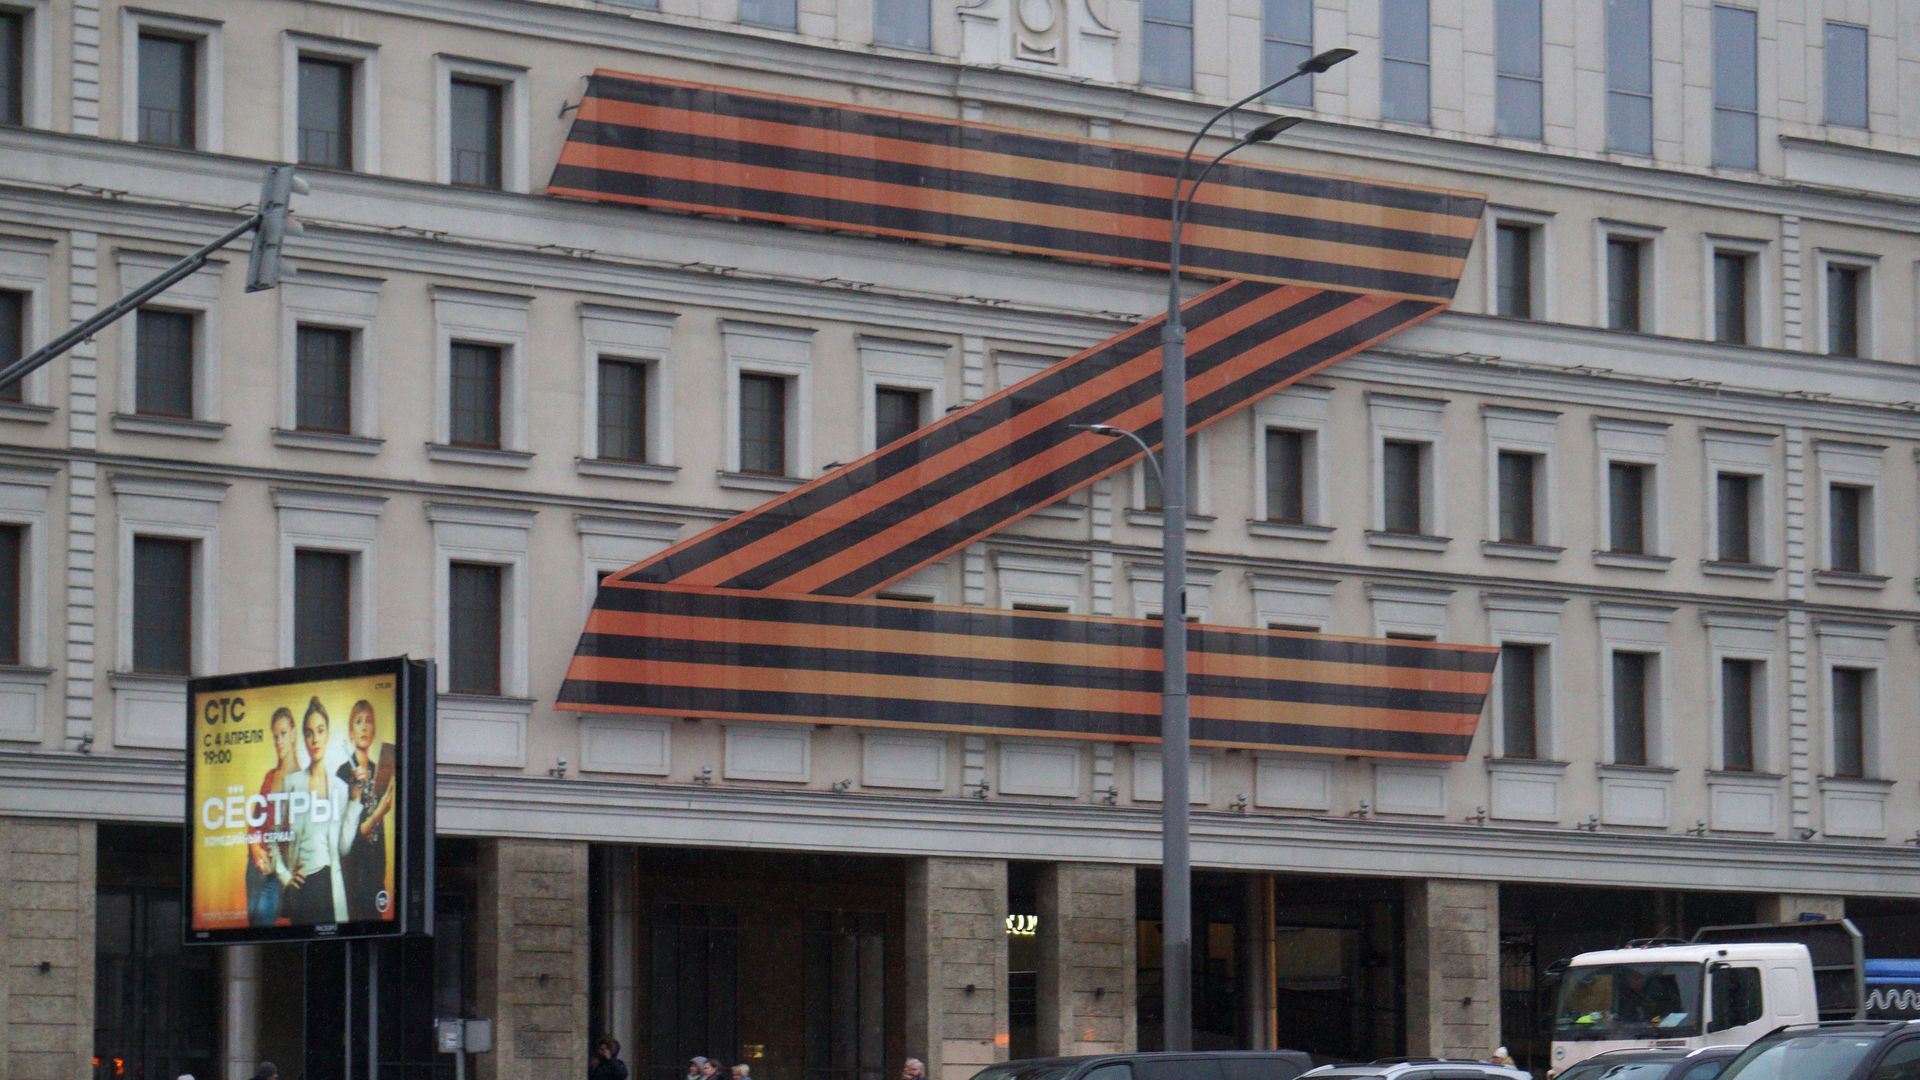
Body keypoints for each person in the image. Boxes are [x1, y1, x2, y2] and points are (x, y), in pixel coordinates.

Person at [277, 698, 362, 925]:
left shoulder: (341, 789)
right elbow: (271, 838)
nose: (315, 739)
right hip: (302, 886)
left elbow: (343, 847)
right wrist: (285, 876)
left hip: (328, 884)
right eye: (309, 733)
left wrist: (355, 801)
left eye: (320, 731)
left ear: (328, 734)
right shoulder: (291, 784)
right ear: (303, 738)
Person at [335, 699, 395, 921]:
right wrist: (380, 811)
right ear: (351, 732)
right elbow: (346, 839)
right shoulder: (343, 773)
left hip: (375, 874)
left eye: (368, 721)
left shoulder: (378, 771)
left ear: (374, 730)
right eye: (358, 721)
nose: (364, 726)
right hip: (353, 873)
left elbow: (378, 832)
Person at [246, 707, 299, 927]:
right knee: (254, 926)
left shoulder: (303, 779)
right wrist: (255, 849)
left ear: (294, 733)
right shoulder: (269, 777)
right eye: (275, 736)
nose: (279, 741)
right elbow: (255, 822)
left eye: (284, 734)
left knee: (264, 925)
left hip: (280, 874)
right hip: (257, 868)